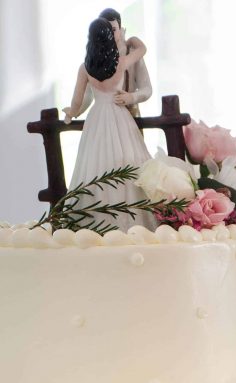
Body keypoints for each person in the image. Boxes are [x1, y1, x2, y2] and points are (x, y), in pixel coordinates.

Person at [63, 17, 152, 230]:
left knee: (94, 163)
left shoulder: (85, 68)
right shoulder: (121, 62)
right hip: (118, 113)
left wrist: (71, 112)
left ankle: (94, 220)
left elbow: (77, 101)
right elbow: (142, 50)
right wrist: (135, 41)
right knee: (124, 160)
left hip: (96, 118)